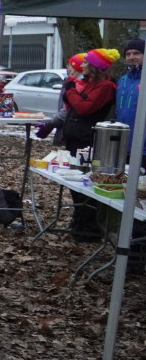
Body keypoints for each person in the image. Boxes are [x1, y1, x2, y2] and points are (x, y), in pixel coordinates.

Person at [61, 48, 119, 241]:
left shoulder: (105, 86)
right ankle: (80, 219)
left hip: (86, 139)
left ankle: (88, 226)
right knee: (74, 181)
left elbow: (84, 108)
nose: (82, 65)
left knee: (85, 183)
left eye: (86, 62)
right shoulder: (88, 83)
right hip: (75, 136)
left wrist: (70, 90)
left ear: (95, 67)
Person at [116, 39, 145, 169]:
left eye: (136, 53)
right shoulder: (123, 81)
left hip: (143, 148)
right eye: (128, 54)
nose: (132, 57)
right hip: (123, 146)